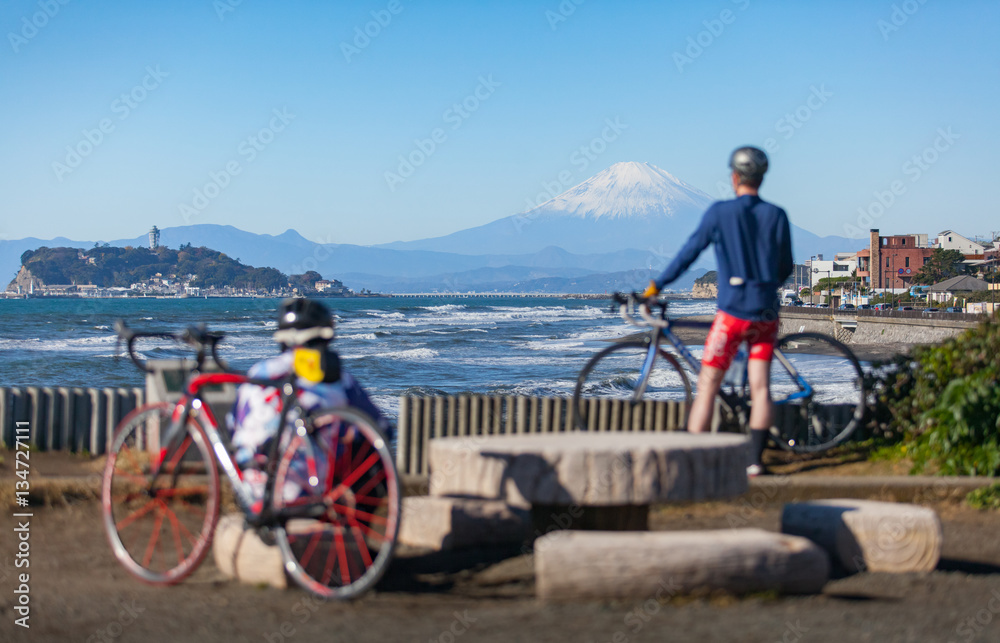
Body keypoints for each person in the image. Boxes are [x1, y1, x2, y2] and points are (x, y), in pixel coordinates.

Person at [642, 146, 793, 476]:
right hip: (766, 313)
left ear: (734, 176)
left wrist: (657, 286)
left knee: (709, 384)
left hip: (732, 314)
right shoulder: (777, 215)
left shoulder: (719, 213)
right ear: (762, 177)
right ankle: (754, 461)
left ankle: (693, 460)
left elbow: (688, 254)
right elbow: (785, 266)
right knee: (761, 388)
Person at [229, 297, 394, 505]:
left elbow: (231, 425)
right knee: (372, 448)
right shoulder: (335, 377)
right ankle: (357, 529)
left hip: (252, 494)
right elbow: (382, 428)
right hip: (312, 493)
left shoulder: (257, 372)